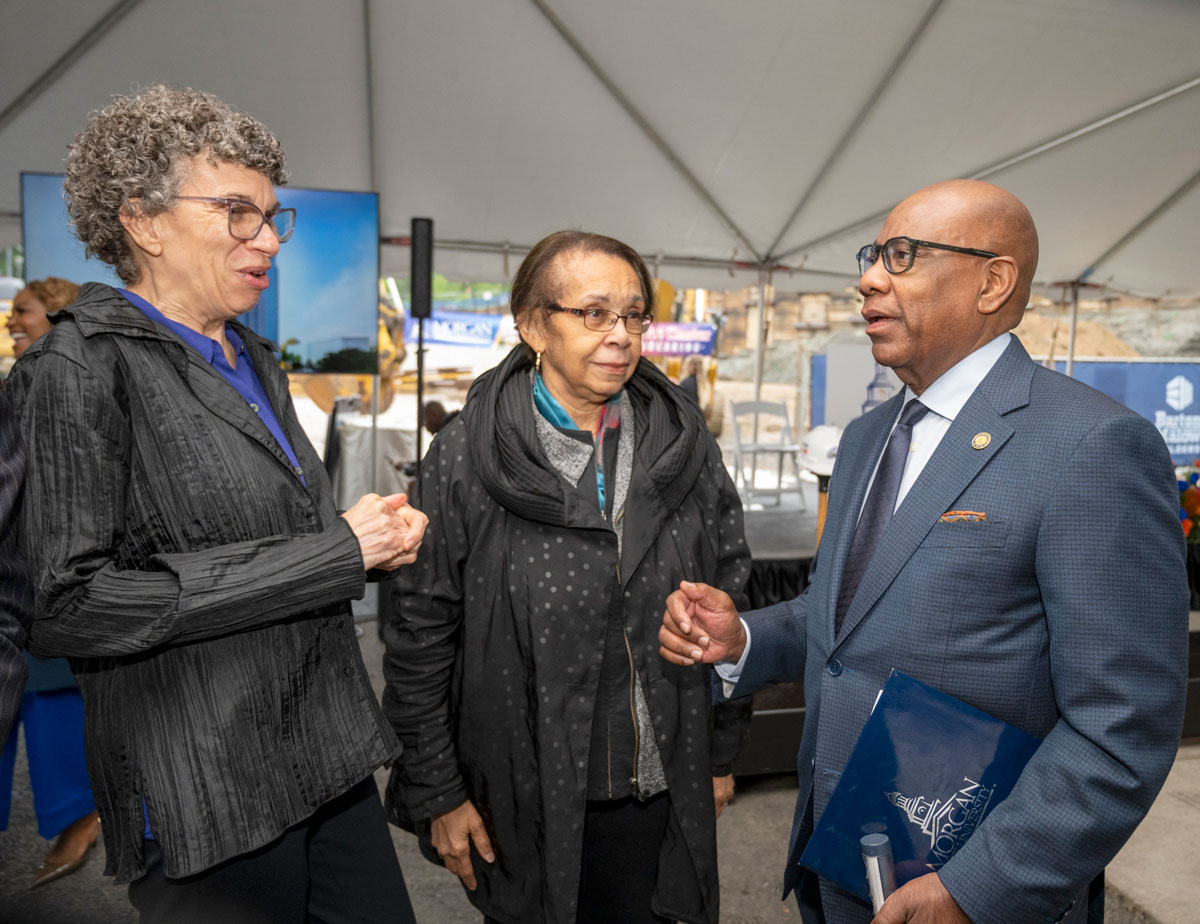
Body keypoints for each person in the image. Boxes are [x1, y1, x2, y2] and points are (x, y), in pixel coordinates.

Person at [659, 180, 1188, 924]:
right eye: (873, 254)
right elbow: (847, 615)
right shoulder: (868, 438)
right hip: (840, 853)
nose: (869, 277)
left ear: (993, 281)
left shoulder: (1090, 446)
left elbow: (1122, 725)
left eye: (902, 255)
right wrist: (745, 637)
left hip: (977, 886)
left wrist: (978, 889)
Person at [7, 84, 427, 924]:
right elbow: (67, 605)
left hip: (324, 751)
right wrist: (336, 552)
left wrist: (367, 535)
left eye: (273, 216)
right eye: (237, 212)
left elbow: (278, 537)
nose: (267, 239)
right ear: (144, 221)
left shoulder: (252, 355)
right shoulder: (77, 370)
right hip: (206, 780)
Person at [383, 230, 751, 924]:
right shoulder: (467, 455)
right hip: (520, 789)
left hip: (660, 783)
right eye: (592, 313)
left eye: (634, 314)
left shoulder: (683, 443)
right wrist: (438, 790)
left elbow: (731, 592)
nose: (619, 334)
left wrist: (724, 749)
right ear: (532, 327)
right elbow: (418, 630)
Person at [1, 276, 104, 889]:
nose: (12, 321)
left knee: (50, 703)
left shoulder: (58, 382)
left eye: (21, 311)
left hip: (47, 576)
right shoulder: (20, 379)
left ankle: (79, 818)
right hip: (21, 574)